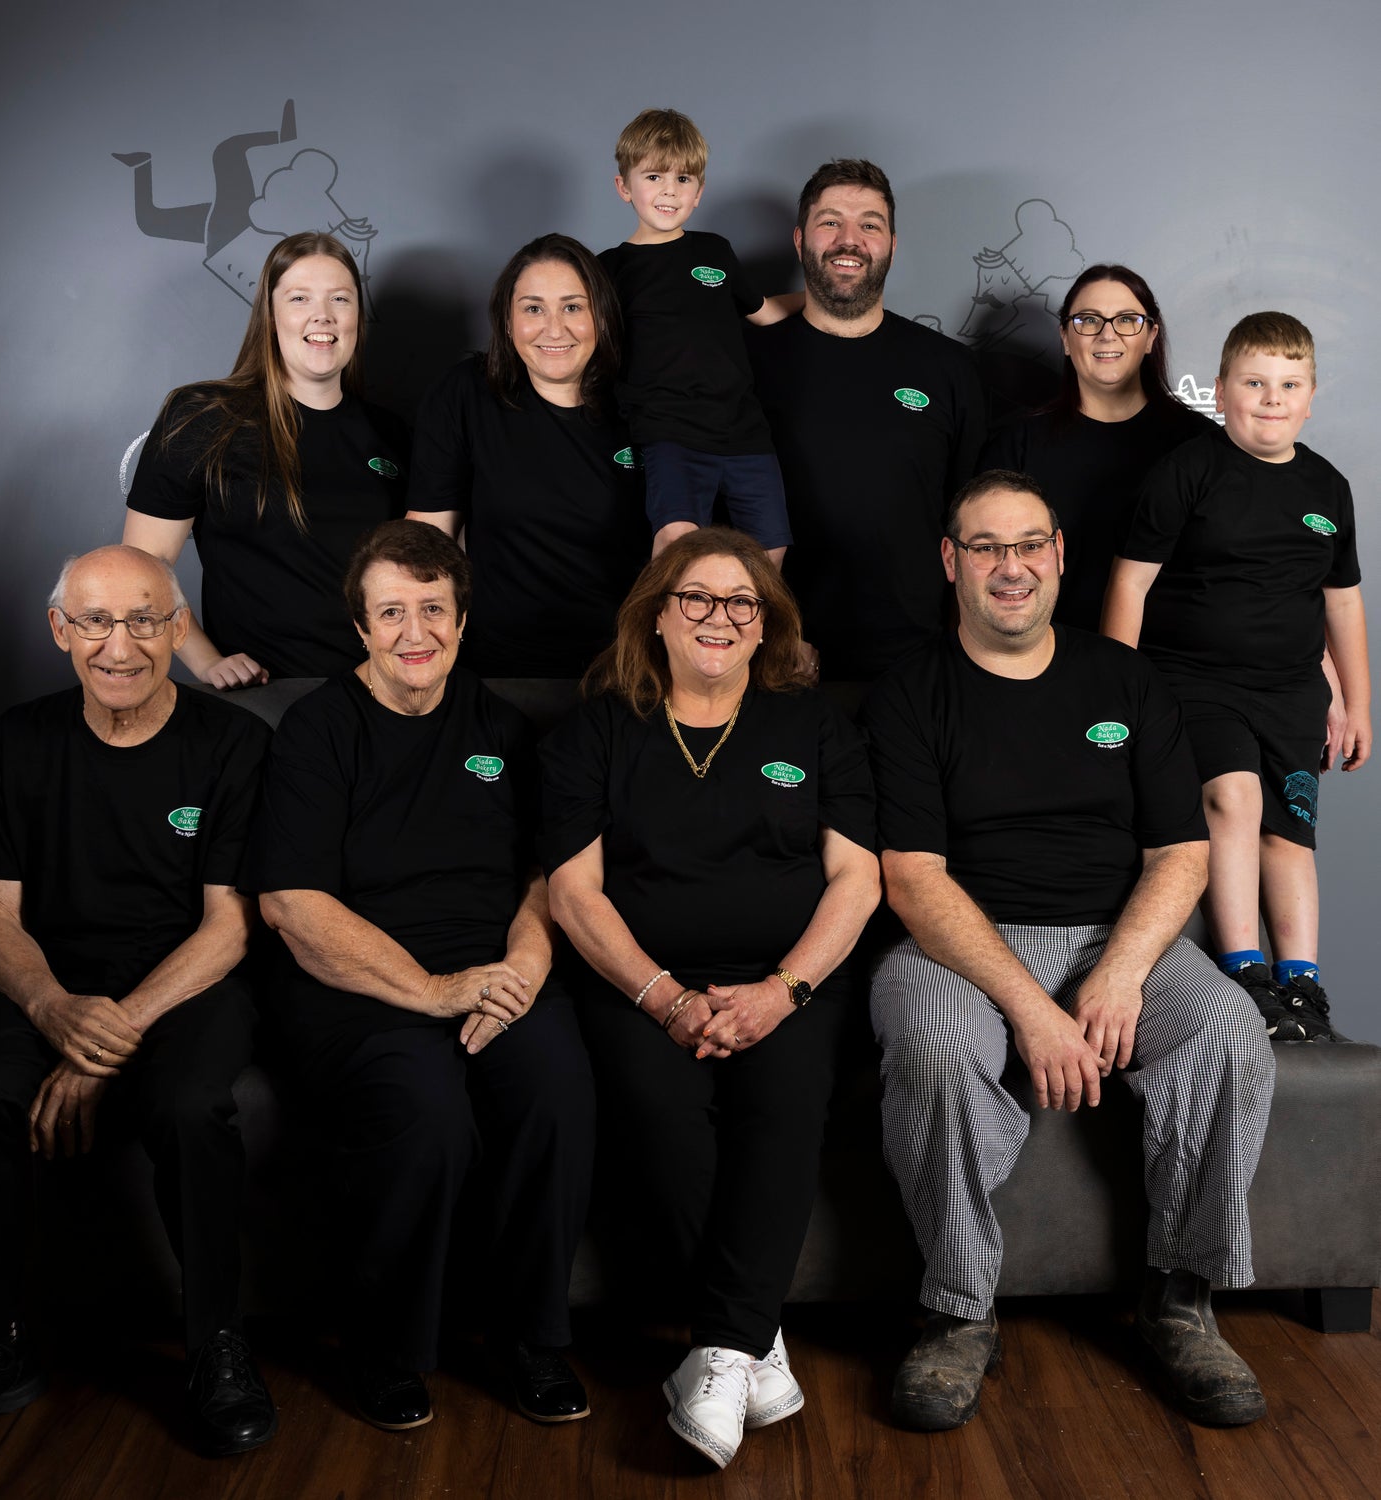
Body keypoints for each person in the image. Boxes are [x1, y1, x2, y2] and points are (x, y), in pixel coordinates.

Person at [864, 472, 1274, 1433]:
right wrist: (1032, 1009)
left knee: (1228, 1030)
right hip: (958, 947)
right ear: (951, 562)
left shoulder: (1125, 680)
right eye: (985, 547)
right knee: (932, 1046)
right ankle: (959, 1310)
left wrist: (1120, 972)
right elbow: (914, 880)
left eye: (1027, 545)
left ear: (1057, 555)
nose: (1009, 567)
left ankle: (1181, 1300)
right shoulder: (909, 692)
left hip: (1119, 935)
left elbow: (1181, 854)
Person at [0, 546, 275, 1466]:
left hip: (186, 983)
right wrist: (54, 1008)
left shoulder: (233, 745)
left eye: (144, 619)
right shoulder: (18, 741)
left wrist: (108, 1038)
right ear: (61, 631)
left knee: (190, 1105)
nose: (119, 645)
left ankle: (217, 1346)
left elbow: (228, 928)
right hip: (51, 980)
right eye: (95, 620)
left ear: (179, 629)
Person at [541, 528, 880, 1469]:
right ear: (657, 615)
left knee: (784, 1103)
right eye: (696, 597)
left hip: (790, 979)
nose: (718, 618)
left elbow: (857, 879)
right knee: (659, 1114)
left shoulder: (815, 728)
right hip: (637, 981)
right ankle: (751, 1347)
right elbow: (573, 892)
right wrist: (663, 997)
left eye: (741, 602)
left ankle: (723, 1350)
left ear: (766, 624)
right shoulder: (596, 732)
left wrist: (781, 992)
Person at [247, 520, 595, 1431]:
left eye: (434, 609)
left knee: (555, 1090)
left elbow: (544, 875)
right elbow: (291, 905)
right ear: (361, 627)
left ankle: (529, 1338)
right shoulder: (318, 731)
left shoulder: (501, 728)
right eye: (393, 612)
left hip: (495, 969)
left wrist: (523, 967)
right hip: (358, 982)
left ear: (462, 621)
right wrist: (433, 992)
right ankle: (387, 1347)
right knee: (426, 1113)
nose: (416, 632)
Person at [1103, 312, 1370, 1042]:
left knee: (1291, 832)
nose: (1272, 399)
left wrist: (1356, 702)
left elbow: (1342, 604)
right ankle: (1244, 969)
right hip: (1195, 683)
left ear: (1310, 397)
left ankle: (1302, 986)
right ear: (1220, 392)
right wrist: (1117, 698)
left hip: (1292, 693)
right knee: (1233, 797)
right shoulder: (1189, 471)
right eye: (1254, 384)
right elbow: (1130, 584)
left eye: (1289, 385)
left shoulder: (1329, 487)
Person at [125, 230, 410, 686]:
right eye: (299, 298)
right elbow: (141, 567)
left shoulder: (393, 434)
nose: (323, 315)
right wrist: (207, 662)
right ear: (271, 317)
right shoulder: (204, 418)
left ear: (358, 316)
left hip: (377, 690)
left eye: (340, 299)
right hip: (261, 696)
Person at [747, 158, 986, 680]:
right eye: (830, 221)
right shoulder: (746, 364)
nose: (849, 240)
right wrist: (765, 635)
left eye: (870, 225)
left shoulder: (948, 368)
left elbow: (973, 523)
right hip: (772, 657)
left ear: (892, 245)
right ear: (799, 240)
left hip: (915, 663)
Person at [406, 233, 648, 679]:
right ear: (506, 320)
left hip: (622, 672)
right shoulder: (466, 393)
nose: (554, 329)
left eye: (573, 307)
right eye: (533, 309)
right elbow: (427, 541)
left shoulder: (643, 402)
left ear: (602, 316)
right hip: (495, 671)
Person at [600, 107, 795, 560]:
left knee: (771, 550)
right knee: (677, 542)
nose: (669, 190)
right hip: (668, 433)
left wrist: (819, 298)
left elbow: (764, 312)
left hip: (744, 431)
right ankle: (662, 612)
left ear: (699, 192)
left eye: (683, 179)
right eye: (654, 176)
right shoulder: (608, 269)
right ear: (624, 187)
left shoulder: (714, 251)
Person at [980, 264, 1209, 630]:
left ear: (1150, 336)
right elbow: (983, 565)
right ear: (1065, 337)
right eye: (1088, 320)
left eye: (1127, 320)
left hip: (1171, 657)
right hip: (1050, 652)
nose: (1107, 334)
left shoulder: (1200, 444)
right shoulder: (1017, 445)